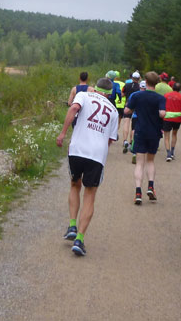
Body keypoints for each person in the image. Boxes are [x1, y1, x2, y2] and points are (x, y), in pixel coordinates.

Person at [56, 77, 119, 256]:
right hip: (96, 155)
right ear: (110, 94)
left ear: (95, 88)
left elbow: (73, 108)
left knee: (74, 185)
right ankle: (80, 239)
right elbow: (111, 139)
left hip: (77, 149)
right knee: (90, 195)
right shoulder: (113, 111)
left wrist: (62, 133)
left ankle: (72, 226)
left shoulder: (83, 95)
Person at [124, 72, 166, 205]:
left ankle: (138, 192)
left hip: (140, 131)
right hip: (154, 132)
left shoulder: (137, 96)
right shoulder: (160, 98)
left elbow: (126, 111)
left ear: (145, 82)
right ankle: (151, 187)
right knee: (150, 161)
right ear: (156, 83)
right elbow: (162, 114)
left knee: (139, 163)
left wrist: (134, 108)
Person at [162, 82, 181, 161]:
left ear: (172, 87)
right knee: (174, 134)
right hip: (177, 118)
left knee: (166, 136)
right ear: (180, 89)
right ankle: (172, 153)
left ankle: (168, 154)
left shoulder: (166, 95)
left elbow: (162, 104)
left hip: (167, 117)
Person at [121, 72, 141, 153]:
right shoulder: (140, 87)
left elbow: (122, 94)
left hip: (128, 105)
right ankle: (131, 141)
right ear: (139, 78)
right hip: (137, 107)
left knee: (126, 122)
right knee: (134, 125)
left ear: (132, 78)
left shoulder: (126, 85)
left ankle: (125, 141)